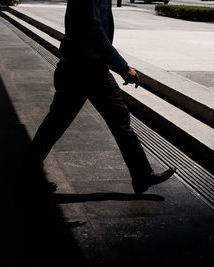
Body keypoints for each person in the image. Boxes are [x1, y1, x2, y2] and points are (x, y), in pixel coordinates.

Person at [22, 0, 175, 194]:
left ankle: (142, 175)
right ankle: (28, 172)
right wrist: (122, 66)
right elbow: (94, 29)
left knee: (114, 120)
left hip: (87, 67)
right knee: (59, 123)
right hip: (83, 70)